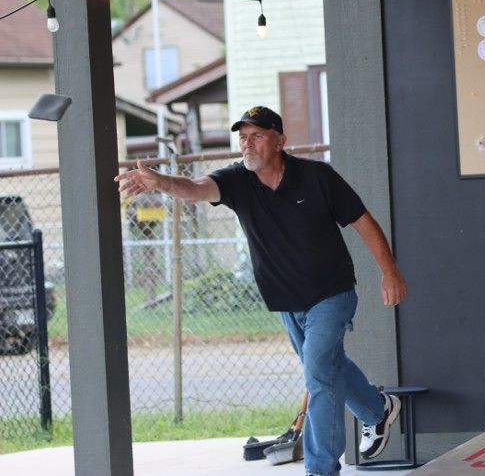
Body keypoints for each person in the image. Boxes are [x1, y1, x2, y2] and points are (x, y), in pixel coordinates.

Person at [115, 106, 407, 476]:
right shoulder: (238, 181)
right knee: (326, 366)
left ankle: (321, 469)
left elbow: (363, 222)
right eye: (242, 137)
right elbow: (197, 189)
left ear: (280, 141)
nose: (246, 144)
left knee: (317, 372)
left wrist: (389, 272)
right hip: (287, 301)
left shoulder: (317, 177)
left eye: (256, 136)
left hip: (331, 293)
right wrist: (162, 182)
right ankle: (376, 408)